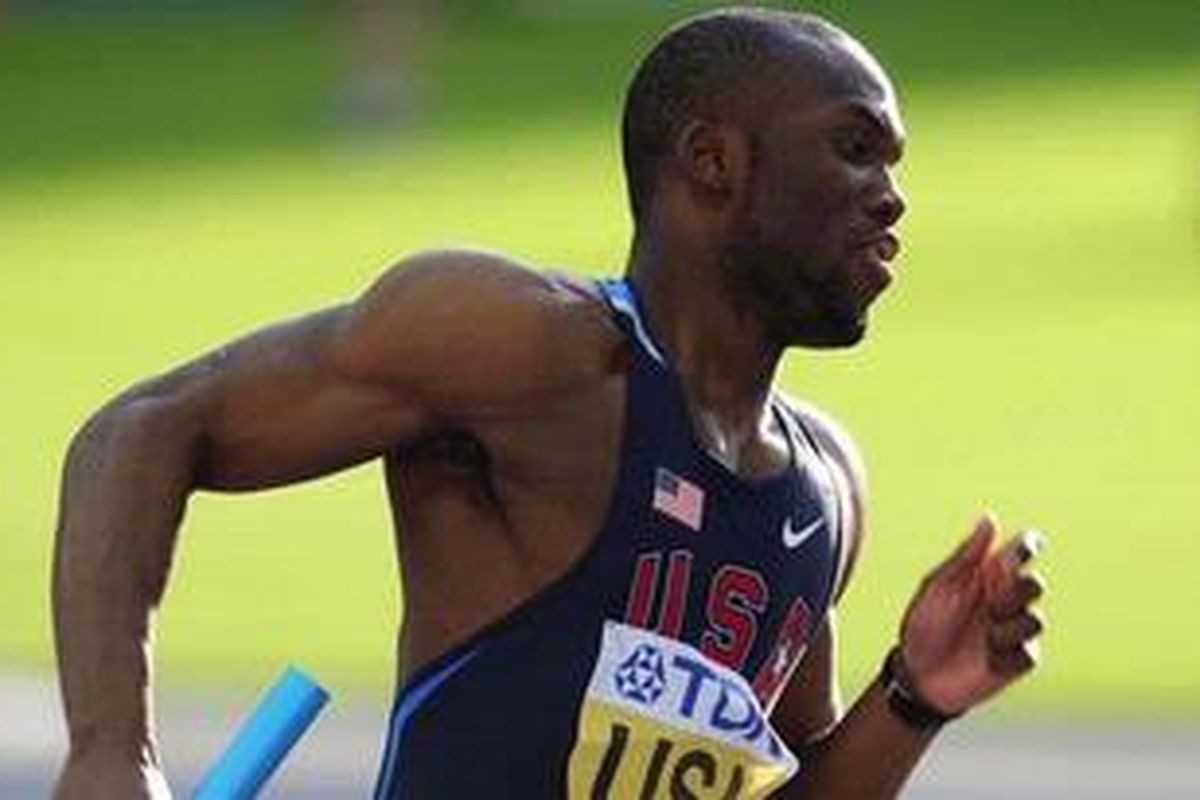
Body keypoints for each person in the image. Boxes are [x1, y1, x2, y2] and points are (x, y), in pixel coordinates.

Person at [51, 8, 1046, 799]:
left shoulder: (822, 486)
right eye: (854, 147)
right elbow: (144, 427)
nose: (891, 196)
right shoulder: (526, 349)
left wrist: (914, 694)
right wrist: (109, 751)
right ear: (714, 161)